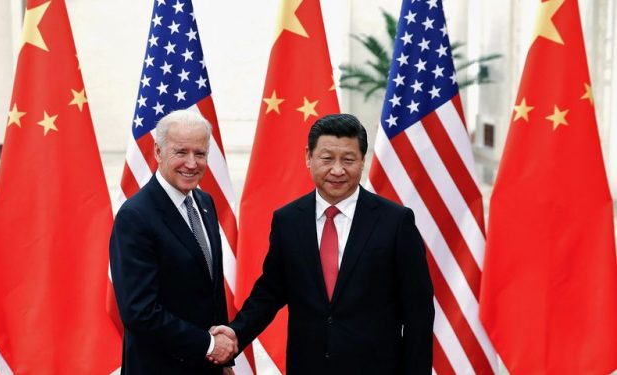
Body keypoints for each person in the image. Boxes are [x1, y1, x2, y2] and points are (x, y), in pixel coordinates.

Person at [214, 114, 434, 373]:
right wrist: (235, 334)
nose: (338, 170)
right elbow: (270, 292)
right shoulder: (287, 221)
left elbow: (418, 312)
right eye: (327, 158)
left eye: (349, 159)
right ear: (309, 157)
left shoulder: (396, 222)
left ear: (363, 160)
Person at [110, 110, 236, 374]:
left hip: (207, 366)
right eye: (181, 152)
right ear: (158, 152)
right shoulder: (135, 216)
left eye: (200, 154)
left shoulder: (205, 203)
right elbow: (139, 311)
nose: (192, 163)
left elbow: (211, 289)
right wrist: (209, 344)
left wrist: (224, 361)